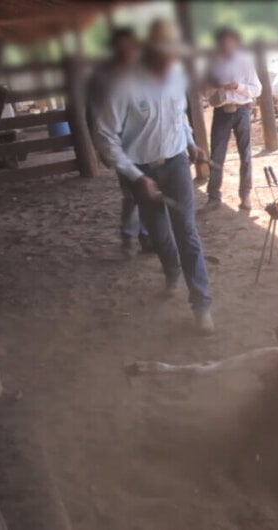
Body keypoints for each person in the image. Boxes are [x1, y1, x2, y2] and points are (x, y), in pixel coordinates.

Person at [94, 19, 214, 334]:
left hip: (175, 163)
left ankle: (201, 305)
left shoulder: (176, 76)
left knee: (187, 231)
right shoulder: (124, 85)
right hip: (142, 170)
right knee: (160, 233)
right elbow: (105, 136)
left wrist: (190, 144)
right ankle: (172, 272)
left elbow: (179, 116)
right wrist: (136, 176)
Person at [86, 27, 151, 256]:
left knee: (145, 188)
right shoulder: (103, 78)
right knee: (133, 191)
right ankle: (130, 234)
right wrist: (103, 149)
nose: (128, 52)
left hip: (144, 141)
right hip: (121, 145)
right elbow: (94, 116)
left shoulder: (142, 74)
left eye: (131, 47)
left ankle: (144, 235)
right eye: (123, 48)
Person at [203, 27, 262, 211]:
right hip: (222, 111)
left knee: (246, 154)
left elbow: (257, 89)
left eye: (229, 42)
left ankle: (245, 194)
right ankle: (214, 196)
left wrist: (238, 87)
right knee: (217, 155)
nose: (226, 45)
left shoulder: (245, 62)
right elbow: (205, 92)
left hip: (242, 109)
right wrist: (215, 86)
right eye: (222, 42)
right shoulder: (213, 64)